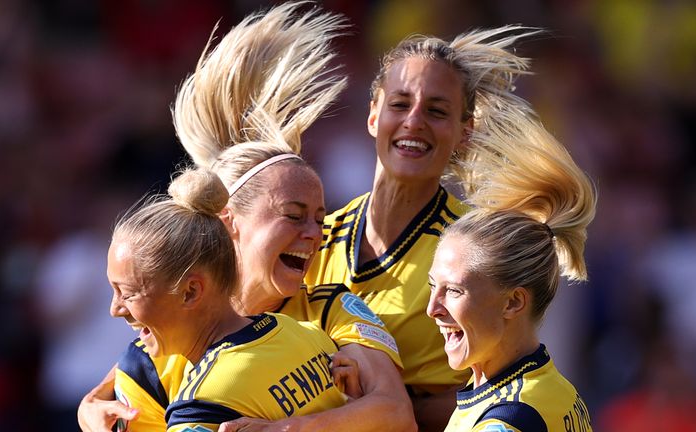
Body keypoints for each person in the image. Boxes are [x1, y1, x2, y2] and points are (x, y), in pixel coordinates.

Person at [79, 3, 415, 431]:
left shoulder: (333, 309)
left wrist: (282, 428)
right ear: (228, 221)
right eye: (294, 216)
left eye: (319, 216)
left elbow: (398, 414)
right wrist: (89, 406)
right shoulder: (163, 340)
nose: (316, 232)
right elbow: (117, 393)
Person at [304, 25, 541, 431]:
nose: (414, 122)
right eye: (400, 104)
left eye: (436, 111)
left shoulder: (474, 250)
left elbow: (505, 389)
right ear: (374, 115)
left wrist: (384, 401)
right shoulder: (314, 236)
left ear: (464, 132)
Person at [108, 167, 352, 431]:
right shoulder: (309, 336)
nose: (115, 309)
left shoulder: (203, 406)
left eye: (128, 293)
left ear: (190, 291)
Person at [426, 107, 596, 431]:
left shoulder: (508, 419)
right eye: (433, 286)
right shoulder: (551, 387)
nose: (432, 308)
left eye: (454, 290)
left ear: (514, 302)